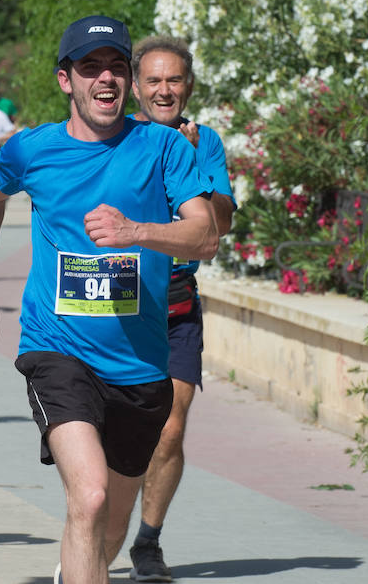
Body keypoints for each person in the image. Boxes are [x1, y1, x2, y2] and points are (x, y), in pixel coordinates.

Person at [0, 16, 218, 584]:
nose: (106, 79)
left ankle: (78, 568)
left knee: (109, 524)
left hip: (142, 363)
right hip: (59, 350)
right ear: (64, 79)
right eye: (90, 67)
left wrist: (138, 232)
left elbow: (206, 236)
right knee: (92, 495)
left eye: (117, 67)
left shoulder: (162, 147)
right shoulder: (33, 150)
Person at [126, 35, 236, 583]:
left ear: (187, 86)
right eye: (154, 80)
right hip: (115, 307)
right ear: (135, 85)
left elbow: (221, 224)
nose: (164, 90)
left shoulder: (204, 140)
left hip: (175, 307)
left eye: (174, 80)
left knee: (170, 428)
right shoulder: (115, 135)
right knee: (109, 434)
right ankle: (92, 528)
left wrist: (192, 161)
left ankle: (147, 542)